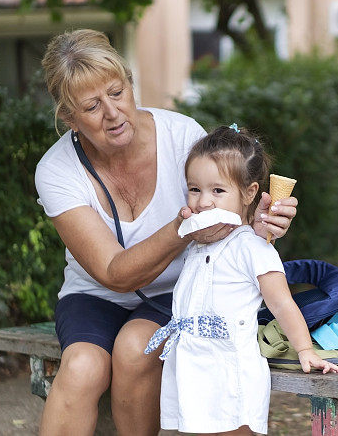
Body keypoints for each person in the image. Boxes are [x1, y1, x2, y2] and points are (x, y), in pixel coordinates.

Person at [34, 29, 298, 435]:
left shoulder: (181, 136)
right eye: (91, 106)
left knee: (136, 349)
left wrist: (253, 224)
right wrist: (182, 227)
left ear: (130, 83)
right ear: (69, 118)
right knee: (82, 366)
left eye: (117, 92)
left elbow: (223, 215)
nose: (113, 112)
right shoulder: (57, 170)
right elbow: (113, 274)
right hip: (95, 293)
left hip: (182, 287)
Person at [145, 125, 338, 434]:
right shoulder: (197, 245)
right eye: (195, 189)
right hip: (191, 368)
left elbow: (282, 303)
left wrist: (305, 350)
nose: (204, 202)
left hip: (228, 371)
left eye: (217, 190)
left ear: (249, 193)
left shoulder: (251, 247)